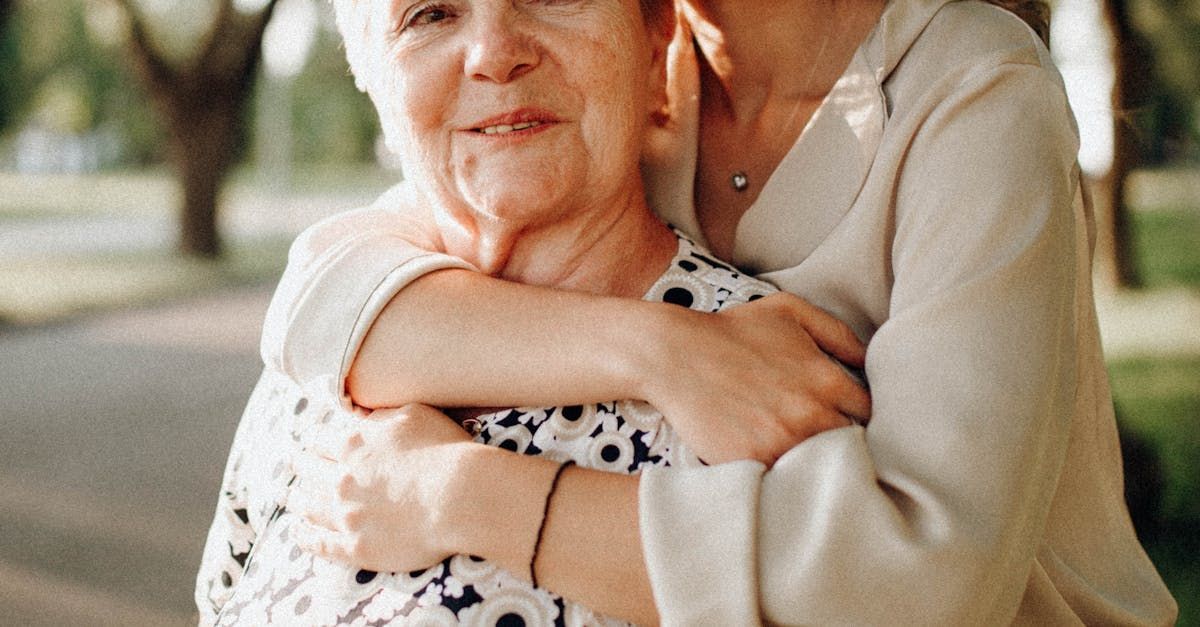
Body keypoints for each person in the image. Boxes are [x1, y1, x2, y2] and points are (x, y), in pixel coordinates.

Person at [210, 0, 1180, 625]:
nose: (495, 49)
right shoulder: (644, 73)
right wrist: (659, 349)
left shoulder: (973, 90)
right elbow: (329, 297)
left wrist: (460, 497)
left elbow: (922, 579)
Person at [197, 1, 843, 624]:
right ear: (370, 75)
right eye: (430, 14)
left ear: (656, 42)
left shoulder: (760, 374)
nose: (494, 55)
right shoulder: (332, 356)